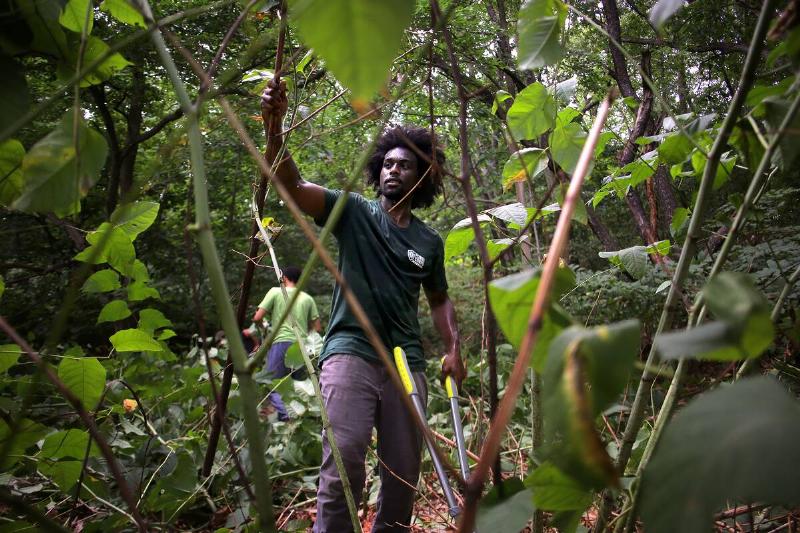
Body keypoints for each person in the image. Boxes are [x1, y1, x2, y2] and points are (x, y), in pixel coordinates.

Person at [261, 79, 465, 533]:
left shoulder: (428, 242)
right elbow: (292, 187)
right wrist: (274, 132)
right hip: (349, 352)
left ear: (423, 175)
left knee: (402, 477)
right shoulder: (353, 211)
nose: (393, 170)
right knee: (344, 464)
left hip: (405, 363)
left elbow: (438, 299)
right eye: (387, 163)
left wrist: (453, 346)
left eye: (405, 165)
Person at [245, 265, 321, 421]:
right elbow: (317, 328)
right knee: (298, 386)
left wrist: (264, 328)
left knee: (273, 384)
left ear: (284, 278)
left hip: (281, 342)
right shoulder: (307, 298)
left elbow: (257, 318)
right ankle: (301, 419)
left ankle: (288, 418)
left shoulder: (275, 291)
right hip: (302, 346)